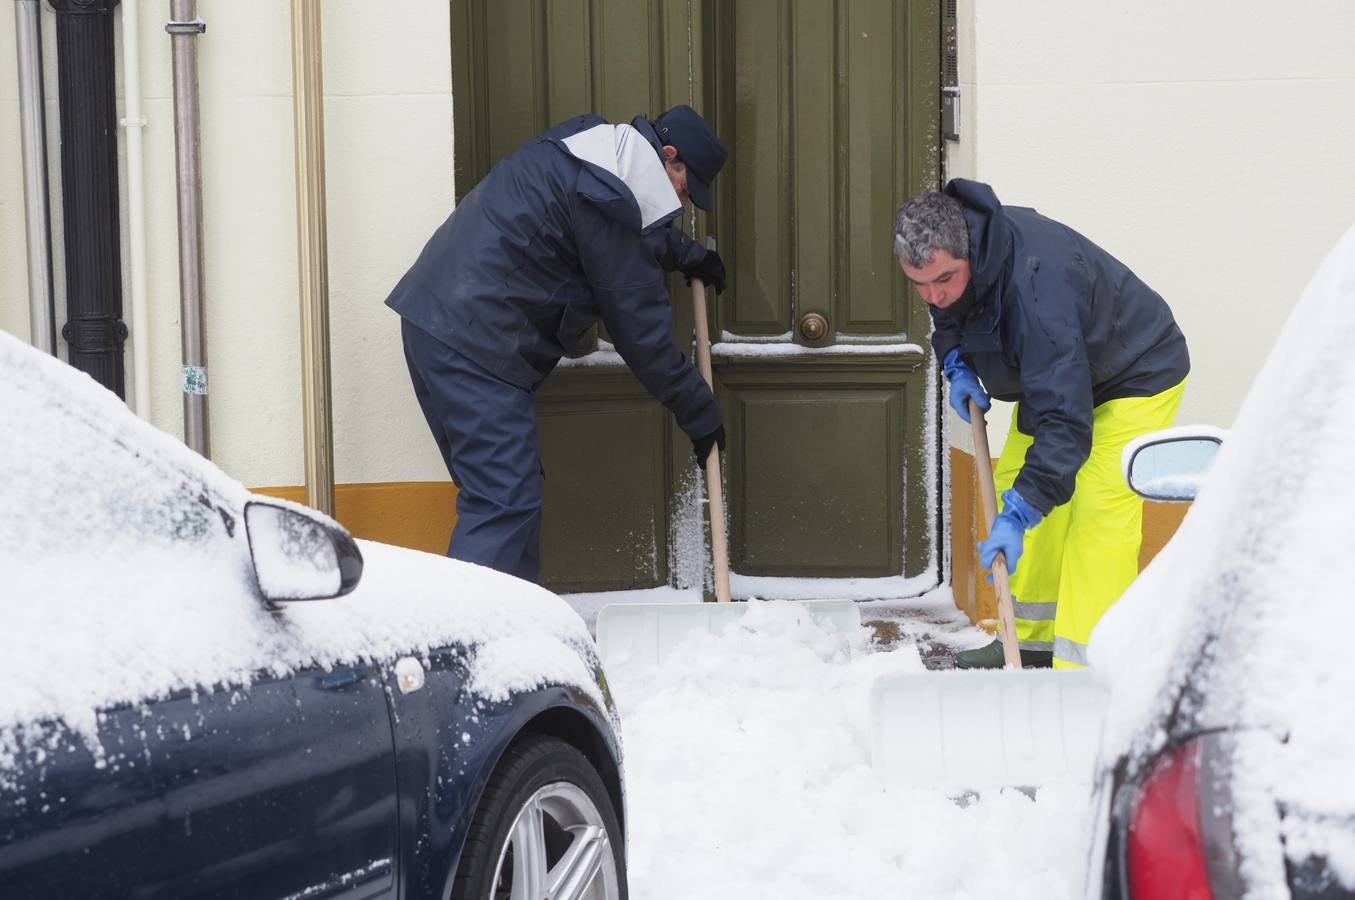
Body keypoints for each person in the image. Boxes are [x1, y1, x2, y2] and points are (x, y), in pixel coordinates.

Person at [386, 105, 728, 583]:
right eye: (686, 188)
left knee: (506, 496)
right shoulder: (610, 194)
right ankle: (465, 650)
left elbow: (611, 235)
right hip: (476, 345)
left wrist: (686, 254)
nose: (682, 201)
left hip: (439, 322)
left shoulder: (594, 153)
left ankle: (512, 629)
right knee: (504, 501)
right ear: (669, 158)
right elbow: (641, 332)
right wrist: (701, 413)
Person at [893, 180, 1189, 669]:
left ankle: (1089, 665)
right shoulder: (955, 259)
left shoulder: (1036, 288)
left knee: (1097, 514)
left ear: (967, 250)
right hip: (1060, 376)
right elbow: (950, 314)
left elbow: (1065, 424)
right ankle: (1026, 642)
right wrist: (956, 361)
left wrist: (1020, 514)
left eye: (943, 279)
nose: (934, 295)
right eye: (920, 285)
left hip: (1135, 371)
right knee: (1016, 485)